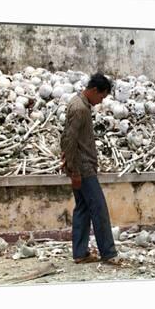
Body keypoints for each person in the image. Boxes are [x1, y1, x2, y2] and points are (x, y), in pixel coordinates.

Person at [60, 73, 124, 266]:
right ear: (94, 90)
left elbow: (67, 138)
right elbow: (69, 139)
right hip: (83, 168)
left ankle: (80, 253)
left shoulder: (78, 103)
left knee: (83, 209)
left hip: (80, 166)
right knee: (99, 209)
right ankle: (108, 253)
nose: (100, 101)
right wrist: (75, 171)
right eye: (101, 97)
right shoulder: (80, 108)